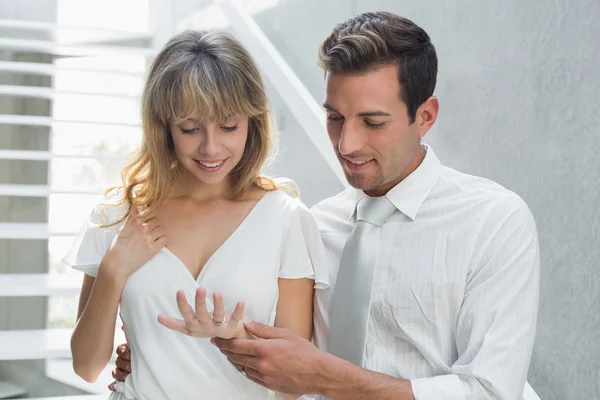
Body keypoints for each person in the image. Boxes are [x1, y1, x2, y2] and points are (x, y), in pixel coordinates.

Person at [113, 11, 540, 400]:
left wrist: (323, 376)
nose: (347, 144)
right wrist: (156, 358)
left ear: (425, 116)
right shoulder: (315, 224)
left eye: (373, 122)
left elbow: (490, 392)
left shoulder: (493, 222)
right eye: (335, 117)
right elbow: (283, 352)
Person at [64, 29, 328, 400]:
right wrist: (113, 271)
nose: (210, 147)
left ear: (253, 121)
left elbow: (293, 386)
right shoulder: (117, 216)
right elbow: (87, 367)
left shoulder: (285, 218)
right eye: (190, 128)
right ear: (164, 127)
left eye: (228, 126)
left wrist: (231, 336)